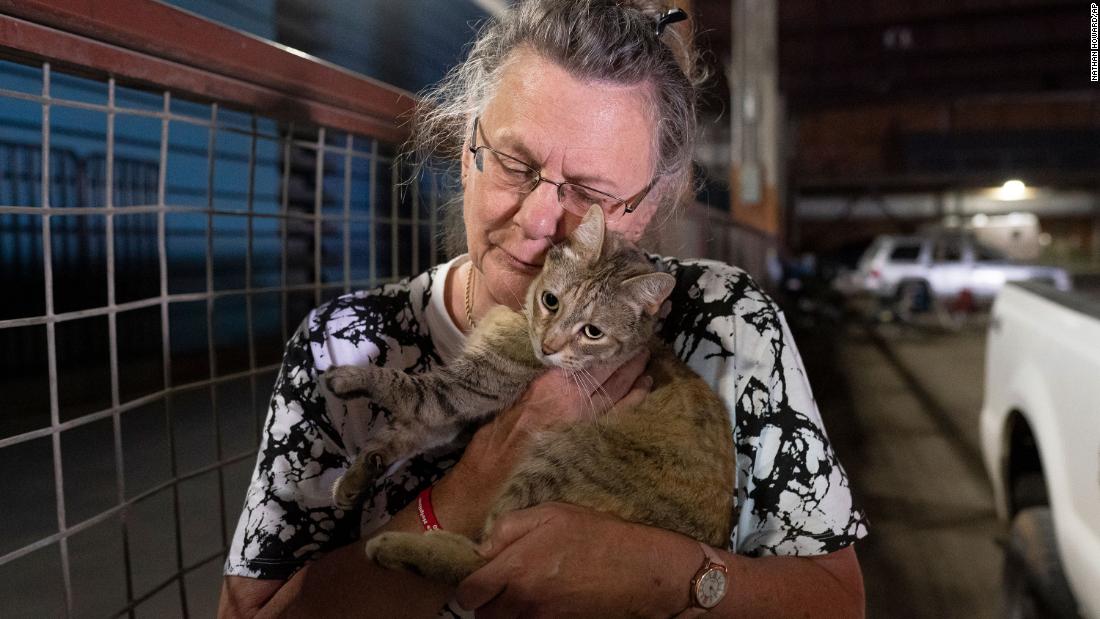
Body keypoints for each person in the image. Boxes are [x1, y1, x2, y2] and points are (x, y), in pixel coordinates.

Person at [219, 1, 869, 617]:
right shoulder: (341, 343)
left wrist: (667, 571)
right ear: (467, 146)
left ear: (651, 205)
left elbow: (840, 601)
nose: (537, 220)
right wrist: (470, 485)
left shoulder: (731, 321)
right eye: (513, 161)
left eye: (589, 192)